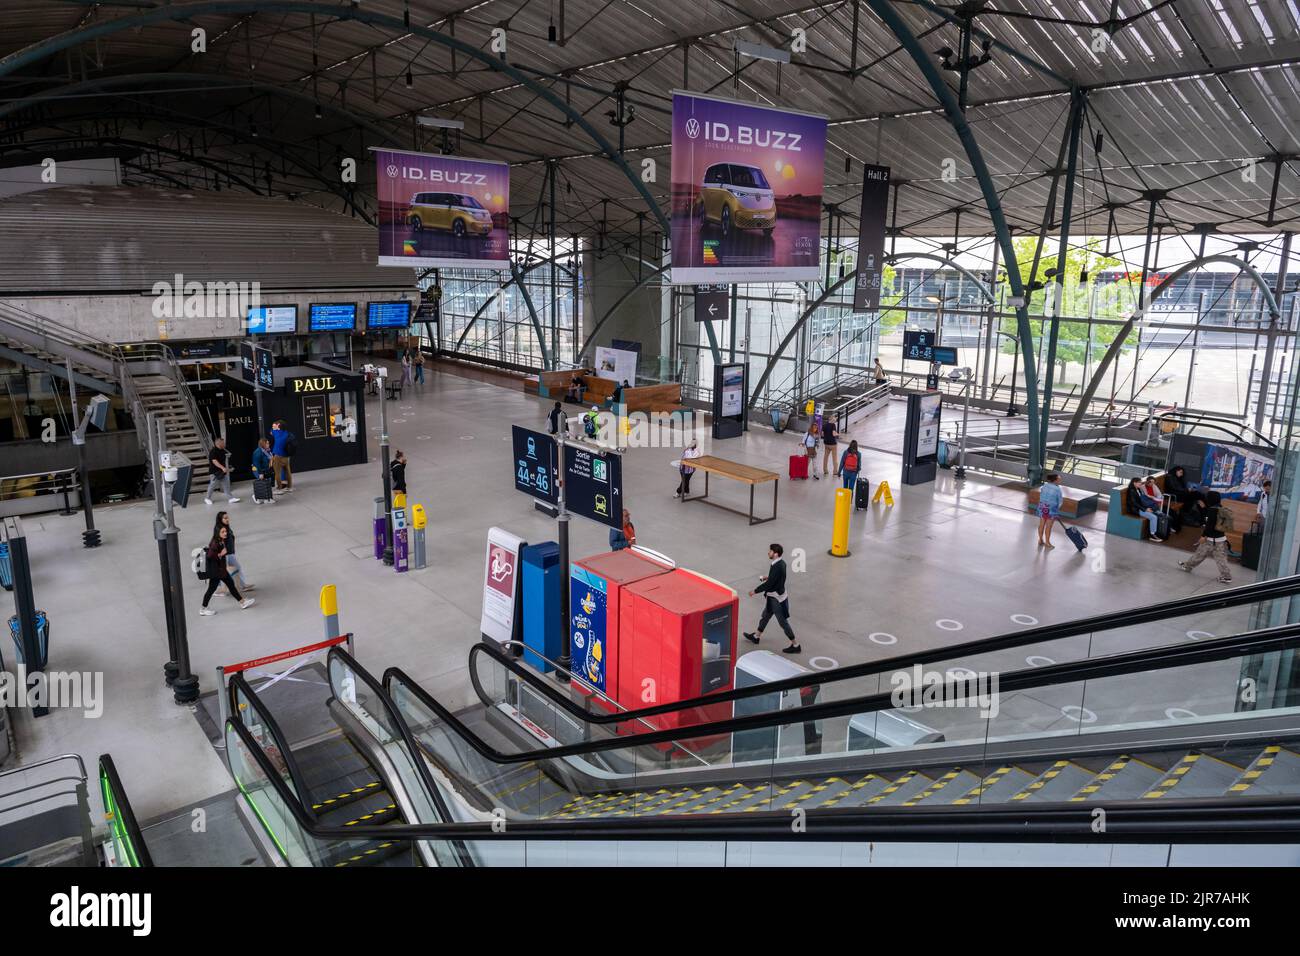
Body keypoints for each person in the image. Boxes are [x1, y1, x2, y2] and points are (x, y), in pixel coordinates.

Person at [743, 543, 800, 654]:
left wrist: (755, 591)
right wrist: (767, 577)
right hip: (773, 598)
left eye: (770, 551)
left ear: (775, 554)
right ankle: (756, 636)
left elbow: (769, 585)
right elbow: (776, 578)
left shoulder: (777, 566)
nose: (768, 553)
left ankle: (796, 645)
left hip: (777, 600)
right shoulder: (781, 563)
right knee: (765, 616)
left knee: (783, 623)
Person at [198, 525, 255, 615]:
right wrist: (221, 554)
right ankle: (203, 609)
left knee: (231, 585)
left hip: (221, 570)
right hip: (217, 572)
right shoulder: (215, 543)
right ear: (218, 533)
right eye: (223, 532)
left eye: (225, 531)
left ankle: (242, 602)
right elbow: (210, 556)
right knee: (211, 589)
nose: (225, 533)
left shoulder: (220, 541)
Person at [1180, 491, 1232, 584]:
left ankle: (1187, 566)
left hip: (1210, 539)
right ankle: (1226, 576)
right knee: (1221, 559)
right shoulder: (1221, 508)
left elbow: (1209, 525)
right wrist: (1204, 508)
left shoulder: (1212, 510)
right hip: (1221, 539)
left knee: (1200, 554)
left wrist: (1203, 536)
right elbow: (1212, 520)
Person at [213, 511, 253, 594]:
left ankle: (242, 585)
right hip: (225, 554)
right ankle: (219, 589)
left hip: (230, 553)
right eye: (225, 518)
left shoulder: (226, 526)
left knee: (237, 568)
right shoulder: (220, 529)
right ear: (220, 519)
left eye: (228, 517)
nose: (227, 519)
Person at [1126, 476, 1167, 543]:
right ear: (1134, 483)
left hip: (1141, 508)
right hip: (1135, 509)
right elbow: (1134, 503)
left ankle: (1158, 532)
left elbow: (1142, 500)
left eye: (1141, 482)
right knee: (1154, 517)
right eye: (1139, 482)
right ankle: (1152, 535)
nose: (1141, 483)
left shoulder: (1138, 489)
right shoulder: (1132, 491)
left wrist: (1147, 507)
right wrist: (1145, 509)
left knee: (1157, 513)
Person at [204, 436, 240, 506]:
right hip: (215, 472)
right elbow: (214, 461)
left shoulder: (223, 450)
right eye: (223, 443)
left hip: (223, 472)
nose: (224, 444)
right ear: (218, 444)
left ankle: (231, 498)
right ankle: (207, 498)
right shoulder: (213, 451)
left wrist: (228, 467)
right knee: (212, 485)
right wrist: (222, 468)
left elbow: (224, 461)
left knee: (226, 485)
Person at [1037, 473, 1063, 548]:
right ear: (1055, 480)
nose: (1060, 480)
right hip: (1051, 510)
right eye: (1059, 479)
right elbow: (1060, 501)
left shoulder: (1044, 486)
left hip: (1042, 508)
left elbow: (1041, 496)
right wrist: (1057, 510)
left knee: (1041, 524)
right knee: (1048, 526)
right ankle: (1047, 542)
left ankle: (1040, 539)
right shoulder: (1057, 489)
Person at [270, 420, 295, 493]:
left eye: (276, 424)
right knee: (287, 471)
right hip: (286, 456)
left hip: (278, 456)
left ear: (279, 426)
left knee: (277, 473)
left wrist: (274, 427)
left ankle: (279, 489)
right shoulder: (287, 433)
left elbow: (271, 432)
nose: (275, 425)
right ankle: (289, 487)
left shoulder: (276, 432)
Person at [250, 437, 274, 504]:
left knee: (267, 483)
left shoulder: (267, 450)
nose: (268, 444)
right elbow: (256, 464)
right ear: (263, 444)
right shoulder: (257, 452)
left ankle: (267, 499)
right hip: (258, 470)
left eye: (268, 443)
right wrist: (260, 473)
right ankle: (255, 496)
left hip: (266, 469)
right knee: (262, 484)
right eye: (267, 443)